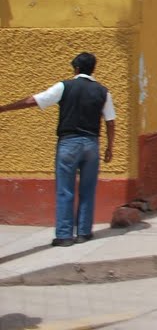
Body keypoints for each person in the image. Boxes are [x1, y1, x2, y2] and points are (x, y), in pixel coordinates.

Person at [0, 53, 116, 246]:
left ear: (76, 69)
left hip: (68, 143)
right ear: (93, 69)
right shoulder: (103, 91)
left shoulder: (64, 86)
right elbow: (110, 121)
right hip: (91, 144)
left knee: (65, 190)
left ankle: (64, 235)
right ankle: (84, 232)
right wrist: (110, 147)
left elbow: (34, 100)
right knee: (88, 189)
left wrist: (4, 108)